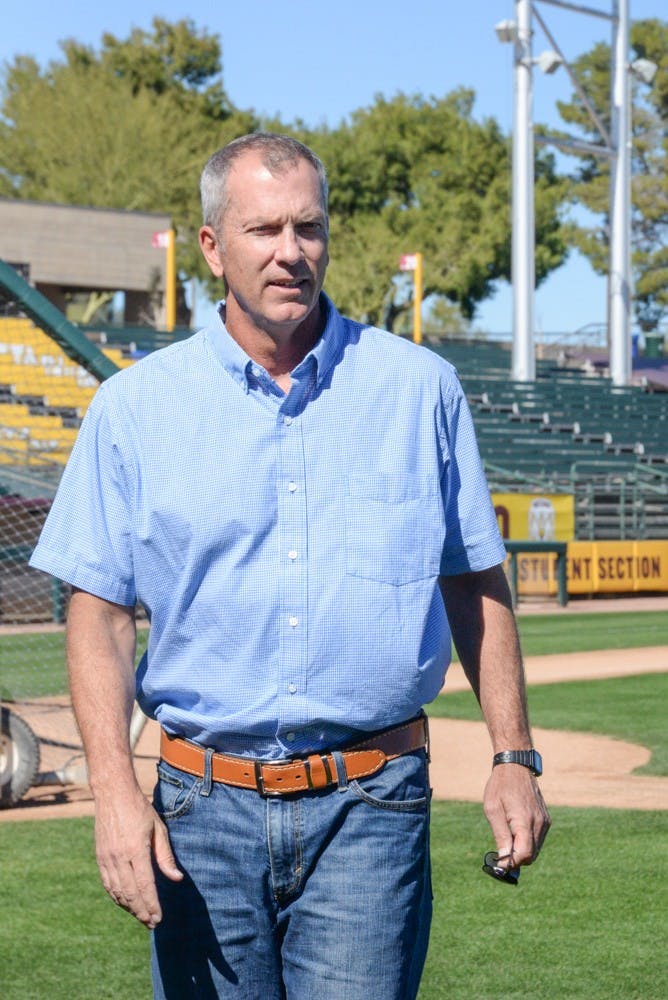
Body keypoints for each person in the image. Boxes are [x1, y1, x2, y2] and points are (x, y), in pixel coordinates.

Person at [30, 132, 550, 999]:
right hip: (200, 813)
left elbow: (474, 582)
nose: (289, 252)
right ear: (211, 246)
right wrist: (114, 795)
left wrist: (514, 754)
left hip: (369, 803)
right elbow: (100, 614)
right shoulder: (134, 410)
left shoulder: (419, 390)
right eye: (264, 229)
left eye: (308, 228)